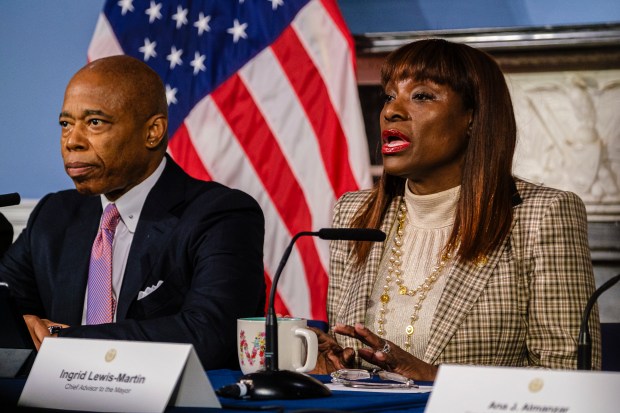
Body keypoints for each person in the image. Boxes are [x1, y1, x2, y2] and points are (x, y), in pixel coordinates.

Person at [313, 39, 601, 380]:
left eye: (421, 96)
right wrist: (335, 360)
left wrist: (437, 378)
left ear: (473, 117)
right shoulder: (354, 213)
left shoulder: (542, 215)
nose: (392, 110)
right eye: (390, 95)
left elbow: (570, 377)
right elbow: (350, 360)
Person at [0, 55, 265, 370]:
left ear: (152, 131)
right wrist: (21, 322)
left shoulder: (219, 215)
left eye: (95, 122)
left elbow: (213, 333)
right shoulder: (54, 215)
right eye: (66, 124)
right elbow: (5, 302)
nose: (72, 141)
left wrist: (67, 342)